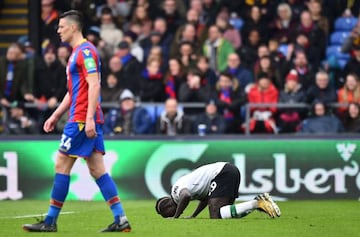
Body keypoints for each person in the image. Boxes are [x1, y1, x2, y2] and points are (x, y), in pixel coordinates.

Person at [22, 10, 131, 233]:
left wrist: (89, 118)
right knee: (97, 169)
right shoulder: (76, 53)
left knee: (62, 164)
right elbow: (73, 92)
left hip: (82, 118)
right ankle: (120, 219)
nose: (58, 30)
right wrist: (55, 114)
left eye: (61, 26)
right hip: (81, 116)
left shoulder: (86, 51)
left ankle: (50, 222)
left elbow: (95, 85)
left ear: (73, 27)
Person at [155, 162, 281, 219]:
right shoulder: (183, 189)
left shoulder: (176, 192)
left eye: (167, 215)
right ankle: (258, 204)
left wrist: (176, 217)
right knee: (225, 214)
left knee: (216, 214)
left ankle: (257, 202)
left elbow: (186, 196)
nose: (168, 217)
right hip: (228, 170)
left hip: (222, 173)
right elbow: (205, 199)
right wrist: (193, 215)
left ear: (167, 208)